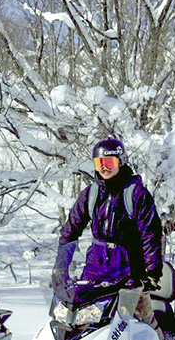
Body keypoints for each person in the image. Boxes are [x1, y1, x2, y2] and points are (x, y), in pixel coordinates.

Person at [58, 138, 164, 324]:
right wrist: (61, 265)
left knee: (142, 320)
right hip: (96, 266)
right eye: (100, 163)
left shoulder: (136, 193)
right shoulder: (91, 194)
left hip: (130, 268)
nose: (104, 168)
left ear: (120, 162)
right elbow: (70, 230)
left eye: (109, 162)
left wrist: (152, 272)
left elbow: (150, 234)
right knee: (80, 317)